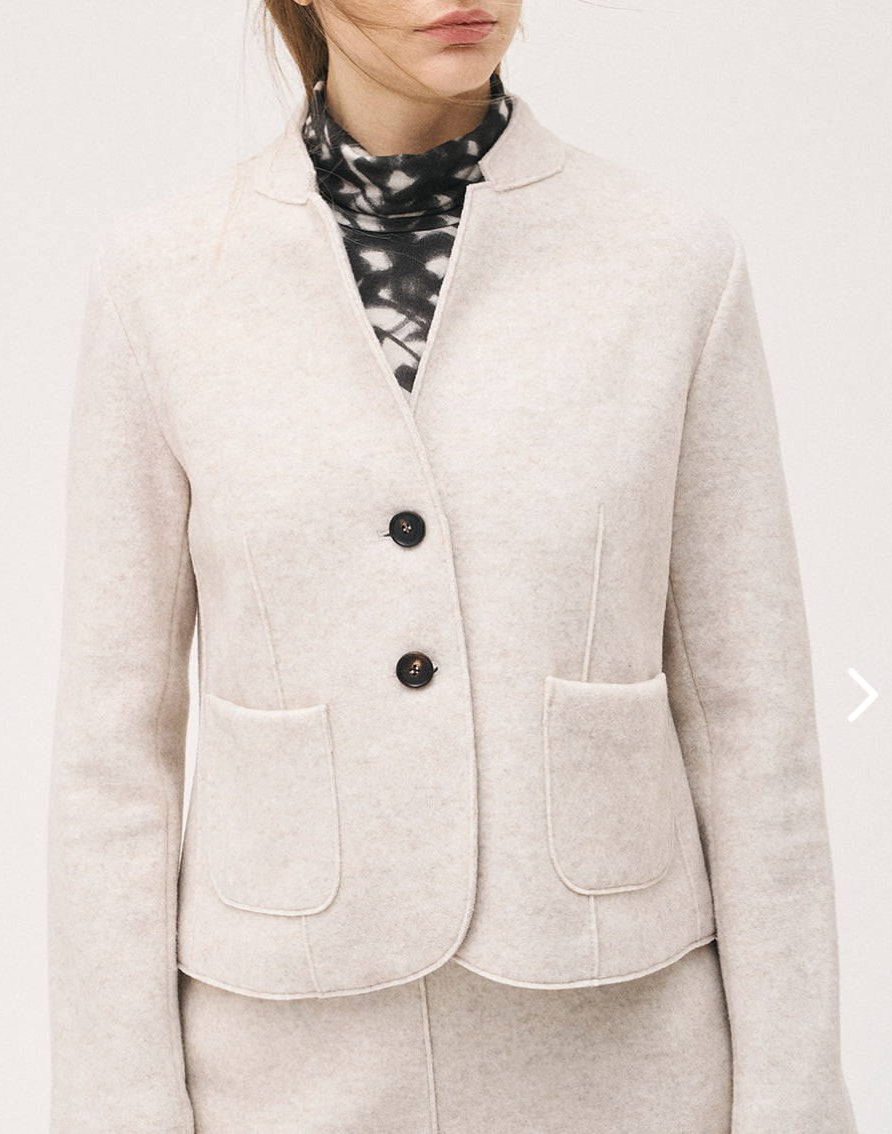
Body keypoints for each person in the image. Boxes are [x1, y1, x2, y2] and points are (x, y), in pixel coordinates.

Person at [46, 2, 858, 1131]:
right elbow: (113, 751)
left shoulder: (672, 262)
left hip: (622, 1054)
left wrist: (795, 1101)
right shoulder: (161, 278)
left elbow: (751, 725)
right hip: (279, 1066)